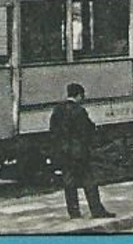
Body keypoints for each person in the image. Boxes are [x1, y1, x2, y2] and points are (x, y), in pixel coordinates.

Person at [48, 83, 113, 220]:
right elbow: (87, 131)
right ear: (79, 95)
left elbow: (53, 131)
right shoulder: (79, 111)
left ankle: (74, 213)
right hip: (79, 153)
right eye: (82, 96)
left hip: (64, 153)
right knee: (89, 181)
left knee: (69, 183)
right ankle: (97, 211)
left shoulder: (57, 110)